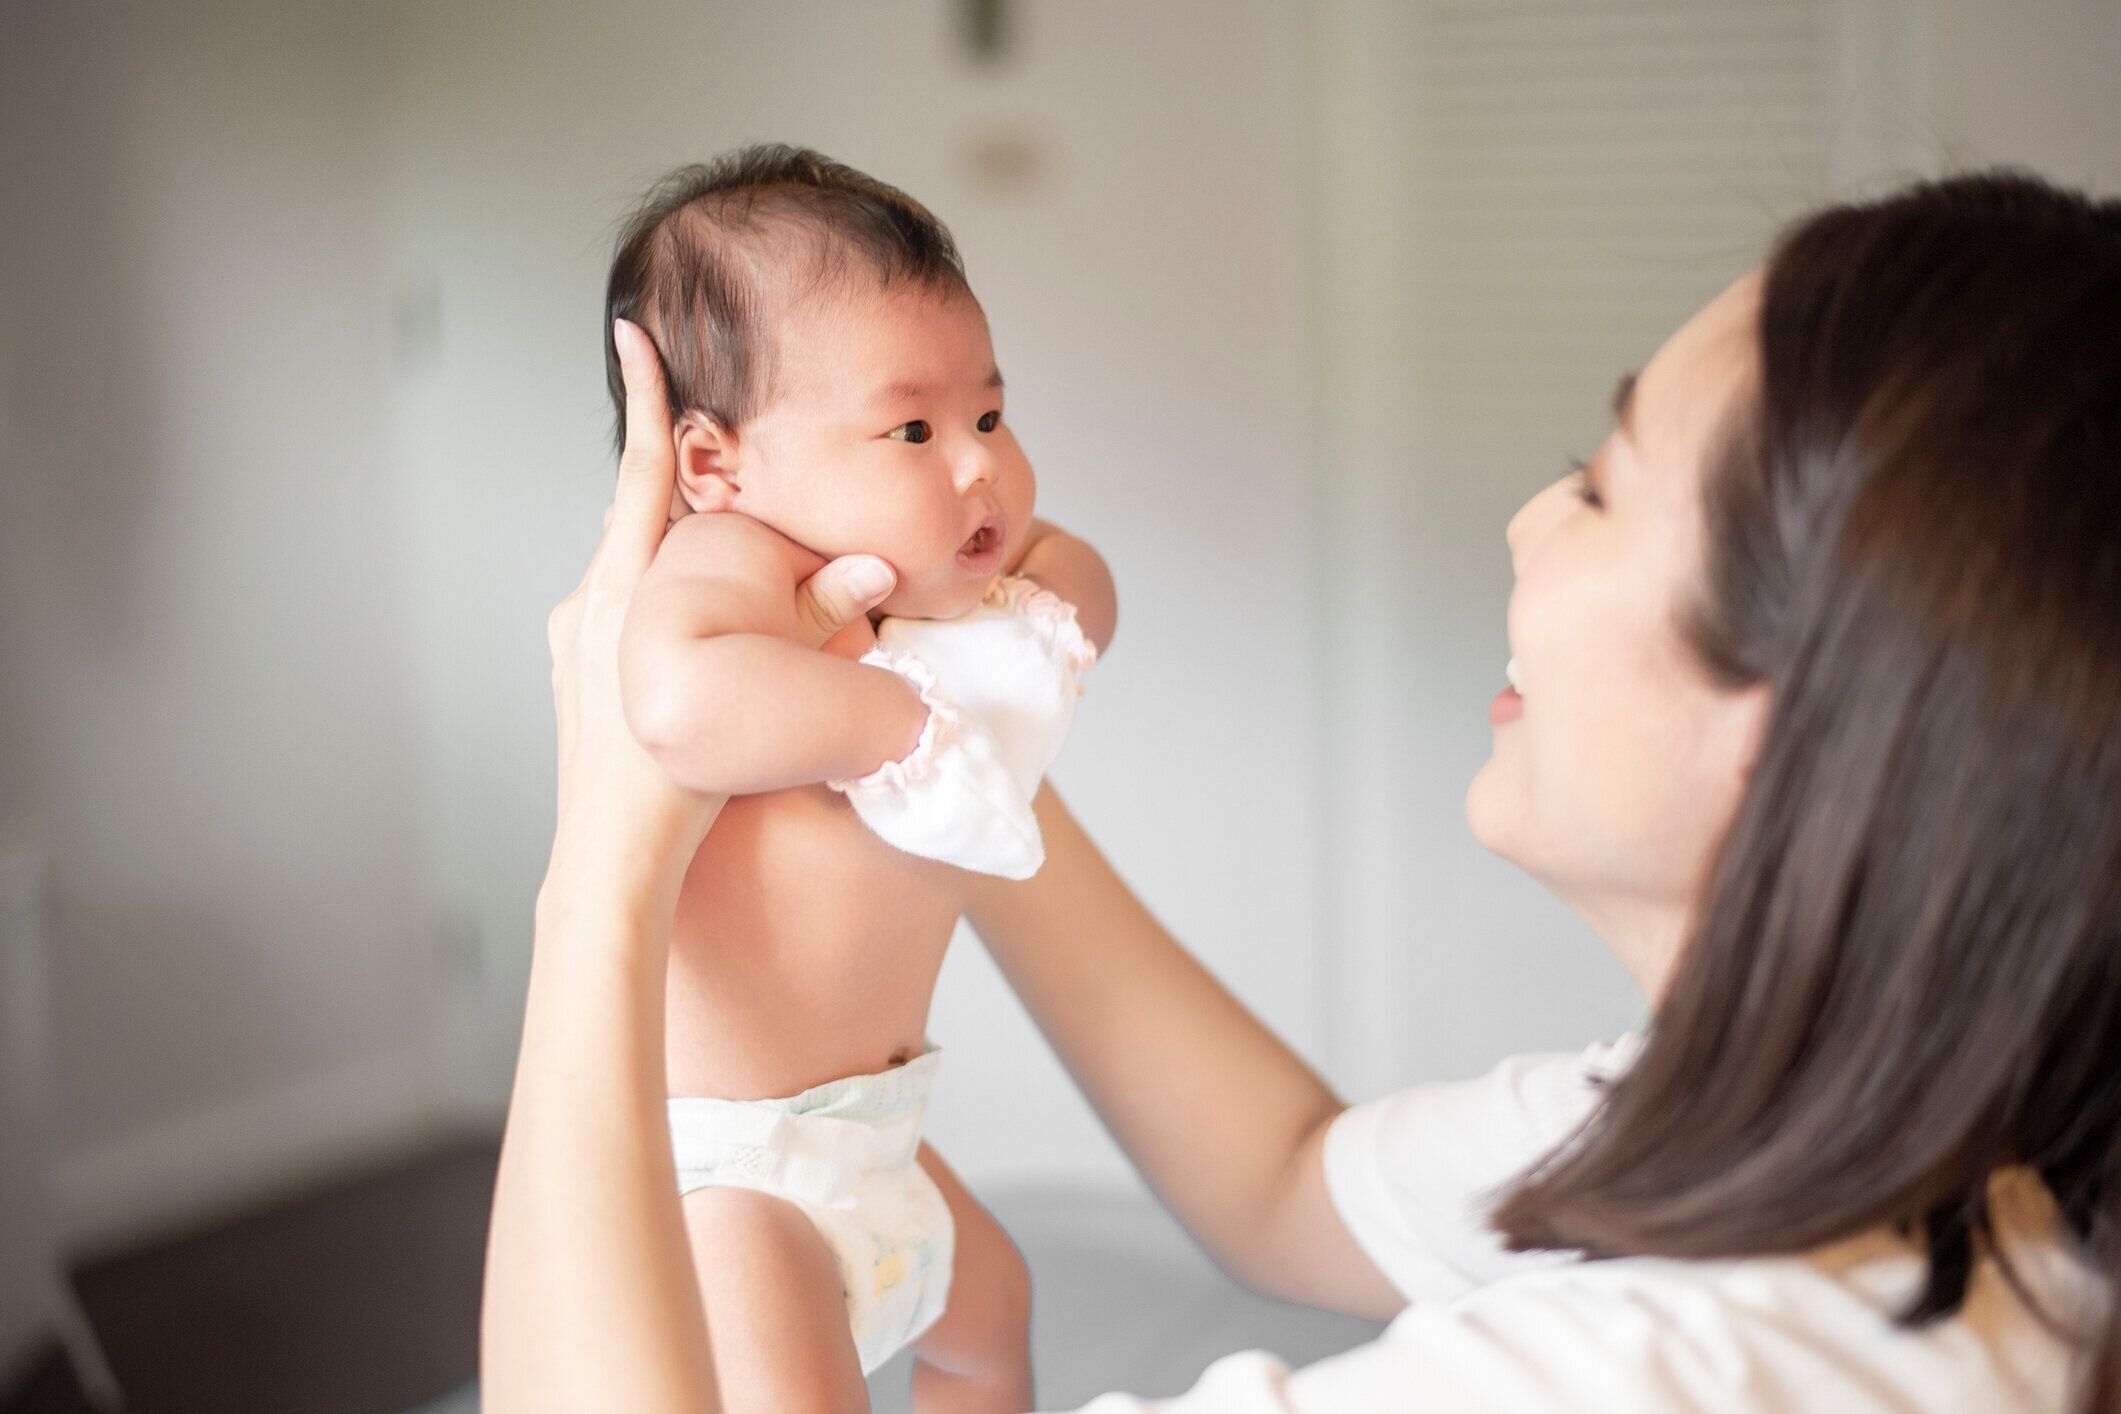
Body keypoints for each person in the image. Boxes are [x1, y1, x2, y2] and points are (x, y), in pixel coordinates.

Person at [484, 171, 2121, 1411]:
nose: (1527, 522)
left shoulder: (1643, 1367)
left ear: (1814, 705)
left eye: (1605, 484)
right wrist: (936, 727)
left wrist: (605, 874)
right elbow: (1285, 1173)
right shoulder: (1925, 1187)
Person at [603, 146, 1117, 1412]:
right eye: (914, 428)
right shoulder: (735, 562)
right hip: (739, 1180)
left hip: (879, 1135)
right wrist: (887, 718)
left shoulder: (951, 586)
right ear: (714, 462)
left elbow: (1083, 577)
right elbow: (677, 706)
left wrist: (1051, 618)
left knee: (992, 1323)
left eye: (989, 416)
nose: (976, 466)